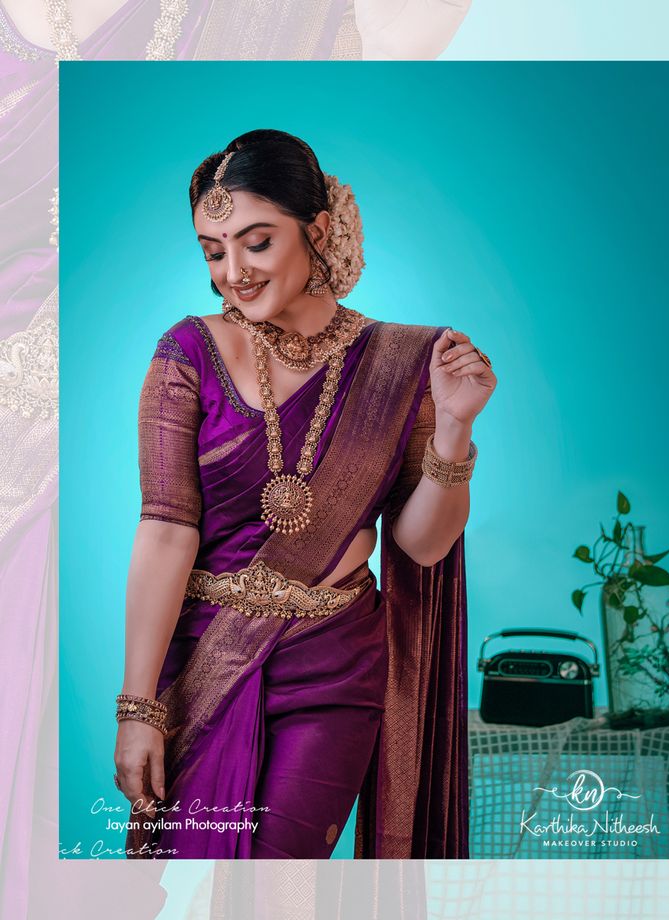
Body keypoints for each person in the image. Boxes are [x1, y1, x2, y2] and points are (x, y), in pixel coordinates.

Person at [114, 128, 497, 860]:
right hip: (205, 665)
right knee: (191, 885)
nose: (234, 272)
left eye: (256, 242)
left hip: (335, 664)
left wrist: (452, 428)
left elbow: (420, 543)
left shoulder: (402, 363)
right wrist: (137, 707)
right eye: (213, 250)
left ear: (317, 230)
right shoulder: (184, 355)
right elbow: (165, 531)